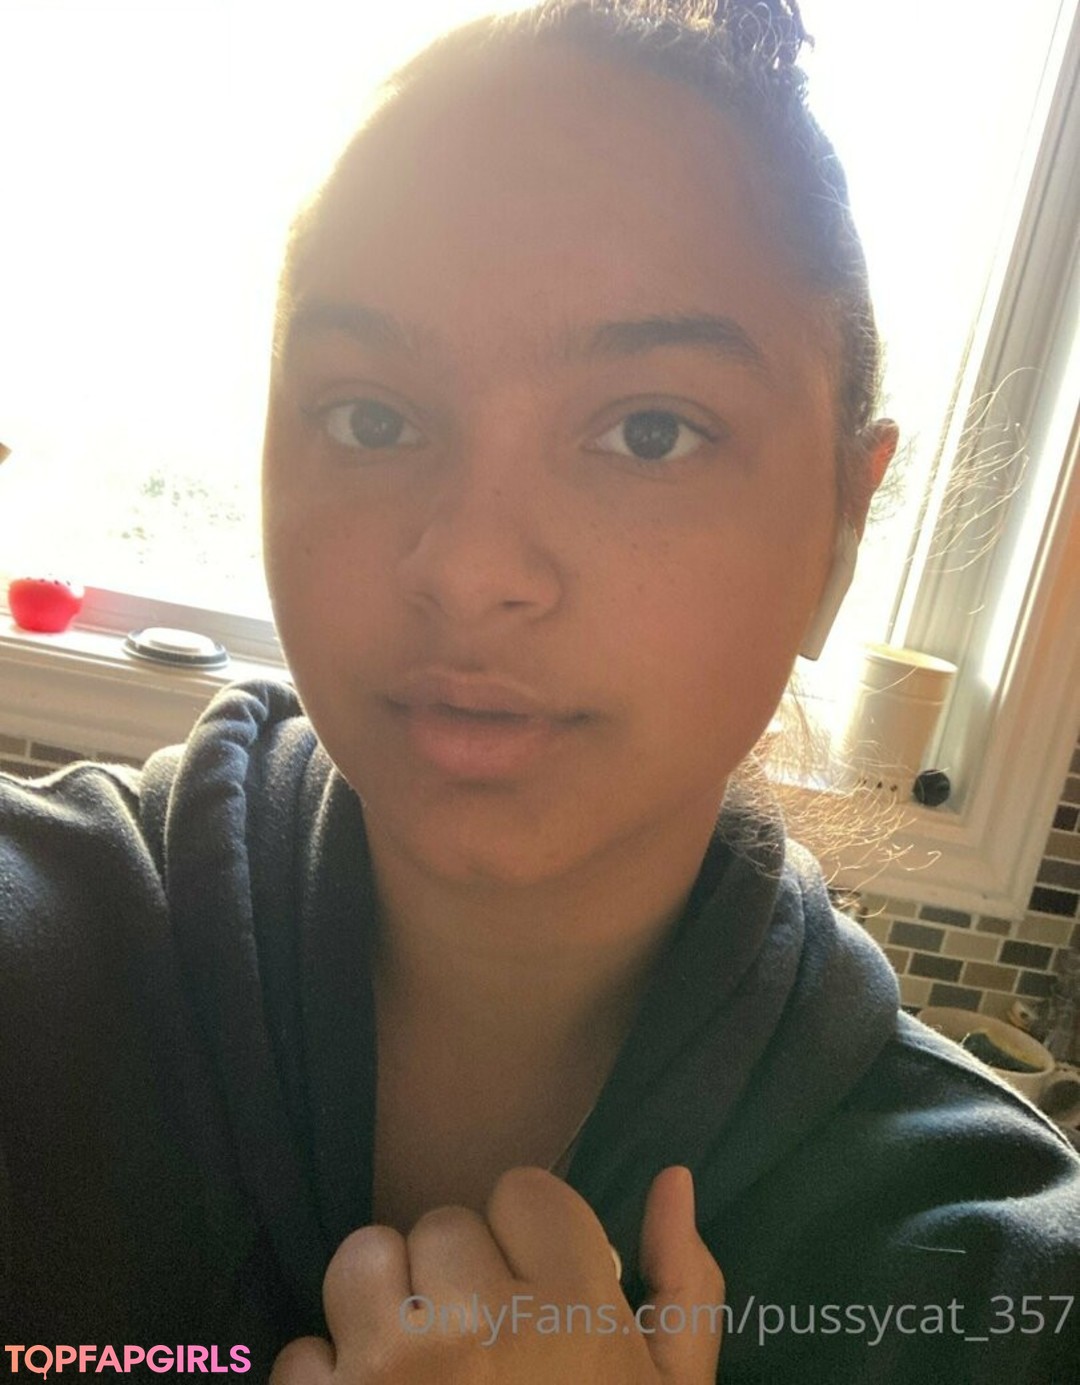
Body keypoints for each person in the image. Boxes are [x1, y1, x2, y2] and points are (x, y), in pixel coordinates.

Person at [2, 1, 1078, 1380]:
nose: (468, 568)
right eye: (371, 417)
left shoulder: (996, 1282)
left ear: (839, 534)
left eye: (650, 432)